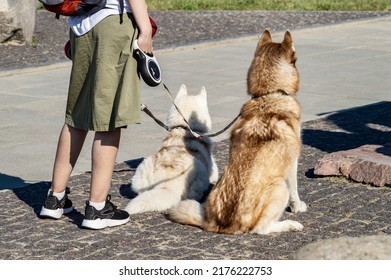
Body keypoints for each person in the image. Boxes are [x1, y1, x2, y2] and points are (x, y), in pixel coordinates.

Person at [39, 0, 153, 230]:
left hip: (80, 24)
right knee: (109, 119)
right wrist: (146, 29)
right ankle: (97, 208)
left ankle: (55, 197)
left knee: (76, 116)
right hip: (112, 22)